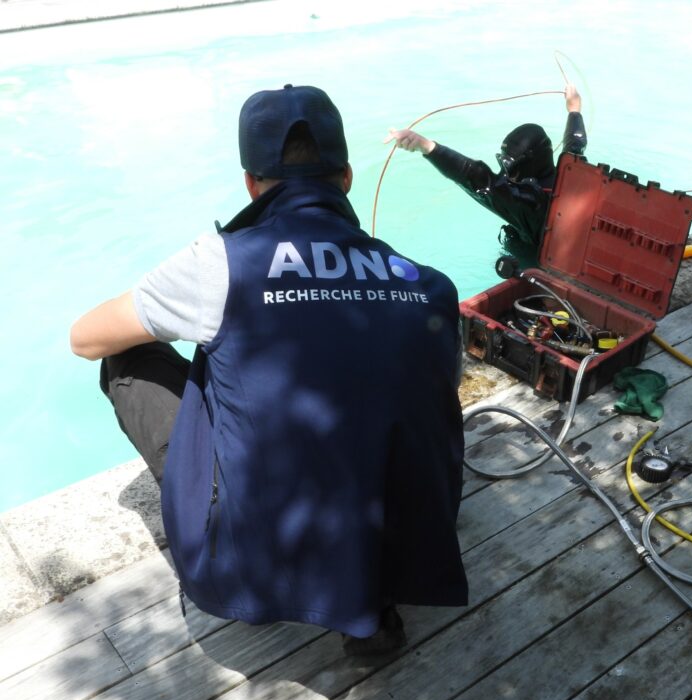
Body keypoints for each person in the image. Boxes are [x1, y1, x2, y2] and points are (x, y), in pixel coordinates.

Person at [70, 84, 468, 656]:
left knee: (126, 357)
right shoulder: (426, 283)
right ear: (348, 178)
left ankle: (257, 560)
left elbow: (84, 338)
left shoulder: (220, 263)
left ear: (251, 184)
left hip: (255, 565)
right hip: (404, 543)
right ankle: (373, 607)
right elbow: (432, 400)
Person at [387, 84, 587, 272]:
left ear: (527, 167)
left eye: (510, 168)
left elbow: (476, 178)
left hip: (539, 265)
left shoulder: (528, 204)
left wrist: (426, 146)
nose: (505, 174)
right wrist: (574, 110)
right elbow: (575, 143)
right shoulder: (573, 174)